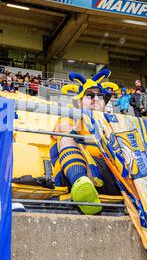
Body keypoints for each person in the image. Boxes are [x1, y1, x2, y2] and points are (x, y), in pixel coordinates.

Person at [51, 69, 122, 215]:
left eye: (100, 96)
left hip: (112, 173)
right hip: (78, 173)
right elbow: (64, 130)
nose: (96, 99)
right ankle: (81, 184)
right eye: (89, 95)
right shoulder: (69, 117)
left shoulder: (114, 124)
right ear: (79, 102)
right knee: (67, 137)